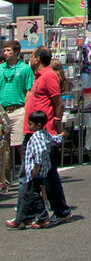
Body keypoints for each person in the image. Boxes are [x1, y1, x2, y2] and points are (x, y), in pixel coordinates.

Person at [24, 47, 70, 222]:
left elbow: (57, 101)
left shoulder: (49, 75)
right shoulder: (37, 76)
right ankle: (28, 212)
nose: (30, 59)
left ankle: (61, 211)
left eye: (32, 56)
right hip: (33, 131)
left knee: (48, 174)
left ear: (38, 59)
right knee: (32, 174)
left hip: (44, 132)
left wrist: (55, 122)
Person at [5, 110, 61, 229]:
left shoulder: (36, 137)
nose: (28, 126)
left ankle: (42, 218)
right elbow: (55, 140)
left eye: (30, 124)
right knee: (29, 196)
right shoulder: (46, 134)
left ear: (38, 125)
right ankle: (21, 219)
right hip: (42, 172)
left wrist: (35, 168)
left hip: (34, 173)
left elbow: (39, 153)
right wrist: (62, 136)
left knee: (32, 196)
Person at [0, 39, 34, 181]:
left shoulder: (25, 69)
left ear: (16, 52)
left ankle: (28, 175)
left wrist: (27, 110)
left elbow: (29, 91)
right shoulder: (0, 69)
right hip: (2, 111)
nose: (5, 53)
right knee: (3, 147)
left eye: (9, 50)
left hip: (19, 110)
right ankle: (4, 180)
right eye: (4, 50)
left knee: (20, 144)